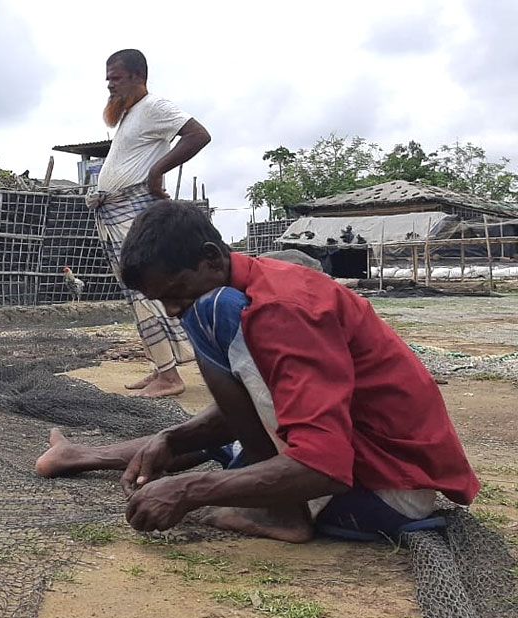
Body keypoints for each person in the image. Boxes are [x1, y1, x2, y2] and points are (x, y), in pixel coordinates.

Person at [36, 201, 480, 543]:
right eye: (161, 300)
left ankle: (281, 513)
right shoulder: (255, 285)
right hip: (368, 465)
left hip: (387, 493)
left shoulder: (275, 308)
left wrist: (190, 490)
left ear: (212, 258)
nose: (171, 309)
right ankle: (82, 455)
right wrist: (172, 439)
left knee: (208, 313)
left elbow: (324, 467)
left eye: (174, 291)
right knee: (214, 432)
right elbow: (256, 407)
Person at [90, 48, 211, 397]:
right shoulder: (131, 114)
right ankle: (162, 366)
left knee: (148, 287)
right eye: (108, 78)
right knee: (136, 290)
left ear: (138, 77)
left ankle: (170, 377)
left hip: (135, 208)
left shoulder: (155, 106)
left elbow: (199, 135)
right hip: (115, 210)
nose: (110, 84)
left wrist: (157, 172)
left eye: (117, 77)